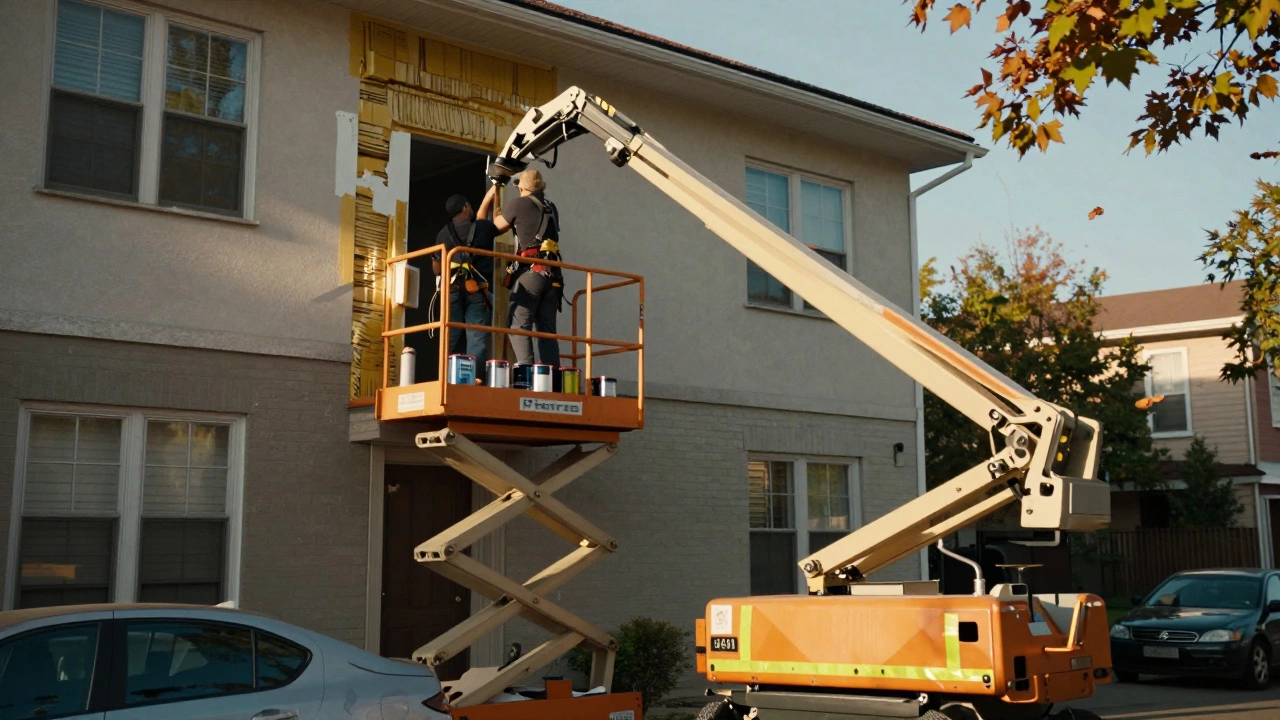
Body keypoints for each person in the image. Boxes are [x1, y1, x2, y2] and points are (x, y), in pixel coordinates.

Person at [477, 169, 562, 367]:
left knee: (519, 325)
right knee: (547, 331)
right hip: (554, 274)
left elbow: (488, 229)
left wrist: (491, 197)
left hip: (531, 273)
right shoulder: (552, 207)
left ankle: (526, 374)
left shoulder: (518, 204)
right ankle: (553, 379)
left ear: (521, 187)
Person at [435, 193, 497, 377]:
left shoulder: (442, 234)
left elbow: (437, 269)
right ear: (465, 208)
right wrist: (494, 193)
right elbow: (497, 222)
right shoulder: (483, 228)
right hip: (477, 289)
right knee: (477, 339)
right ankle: (475, 380)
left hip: (452, 288)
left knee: (449, 337)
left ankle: (444, 380)